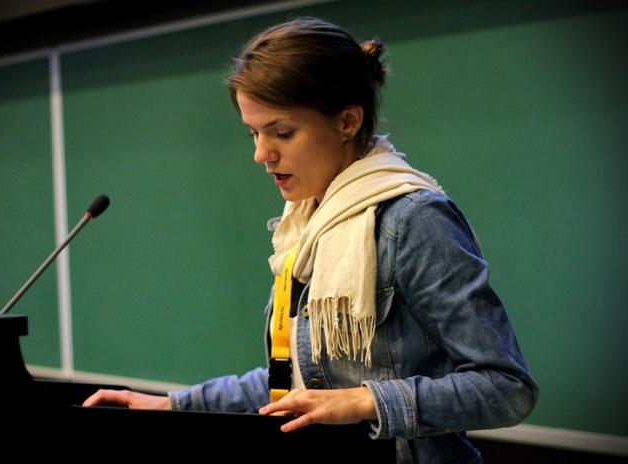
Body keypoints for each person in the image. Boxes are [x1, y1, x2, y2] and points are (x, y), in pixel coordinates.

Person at [83, 17, 538, 462]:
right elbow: (296, 384)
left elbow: (506, 387)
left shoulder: (413, 220)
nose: (261, 154)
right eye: (254, 133)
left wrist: (365, 401)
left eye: (282, 132)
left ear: (347, 121)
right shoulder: (304, 226)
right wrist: (174, 405)